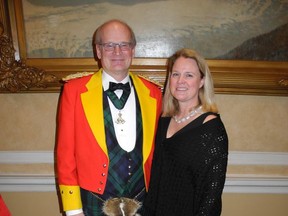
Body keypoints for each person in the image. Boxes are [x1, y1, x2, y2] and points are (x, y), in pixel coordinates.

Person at [56, 19, 162, 216]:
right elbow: (65, 154)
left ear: (133, 49)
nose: (117, 52)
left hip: (143, 201)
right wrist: (73, 209)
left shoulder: (154, 93)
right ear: (98, 51)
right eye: (109, 45)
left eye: (124, 45)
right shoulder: (74, 91)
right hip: (93, 202)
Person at [143, 48, 228, 216]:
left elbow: (211, 195)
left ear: (202, 81)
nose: (180, 81)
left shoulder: (211, 128)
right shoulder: (163, 120)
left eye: (189, 75)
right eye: (175, 74)